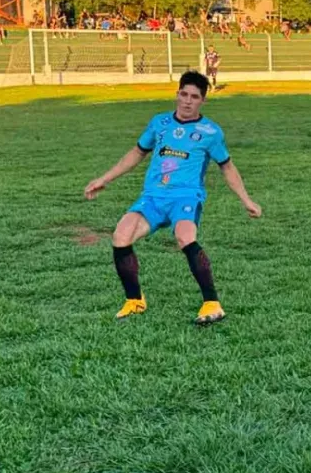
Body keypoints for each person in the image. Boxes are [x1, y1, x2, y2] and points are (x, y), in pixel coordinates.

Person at [84, 71, 262, 325]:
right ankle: (134, 300)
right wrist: (104, 179)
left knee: (185, 236)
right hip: (153, 197)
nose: (188, 101)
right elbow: (137, 153)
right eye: (184, 94)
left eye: (195, 97)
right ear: (177, 94)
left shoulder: (210, 132)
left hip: (185, 197)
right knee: (121, 235)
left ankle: (212, 303)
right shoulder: (159, 123)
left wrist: (247, 200)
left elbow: (227, 167)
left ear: (203, 101)